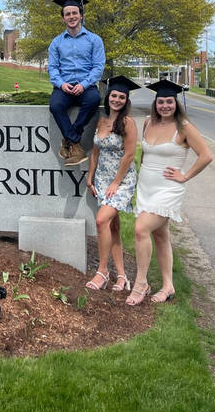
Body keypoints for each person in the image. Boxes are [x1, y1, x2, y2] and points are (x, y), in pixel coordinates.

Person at [127, 80, 212, 305]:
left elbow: (206, 156)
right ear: (156, 103)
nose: (165, 105)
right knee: (161, 236)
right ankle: (168, 286)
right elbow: (145, 155)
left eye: (169, 101)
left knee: (140, 229)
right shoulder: (147, 123)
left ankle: (141, 282)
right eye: (161, 101)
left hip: (168, 189)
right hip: (147, 187)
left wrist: (185, 176)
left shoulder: (183, 127)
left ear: (176, 103)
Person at [85, 75, 140, 292]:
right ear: (108, 97)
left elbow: (129, 155)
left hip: (121, 179)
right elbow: (95, 152)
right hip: (102, 178)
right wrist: (90, 176)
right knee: (113, 226)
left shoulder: (128, 123)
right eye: (114, 95)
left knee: (101, 221)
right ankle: (122, 276)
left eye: (121, 97)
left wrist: (116, 183)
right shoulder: (101, 121)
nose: (117, 99)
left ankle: (102, 271)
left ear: (126, 101)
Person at [48, 0, 106, 166]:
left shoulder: (94, 40)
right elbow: (52, 68)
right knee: (55, 105)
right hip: (64, 86)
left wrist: (84, 84)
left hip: (86, 86)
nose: (71, 17)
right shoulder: (56, 43)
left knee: (94, 99)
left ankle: (69, 140)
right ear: (63, 19)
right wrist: (61, 84)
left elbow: (98, 67)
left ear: (81, 15)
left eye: (74, 13)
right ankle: (75, 142)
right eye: (68, 14)